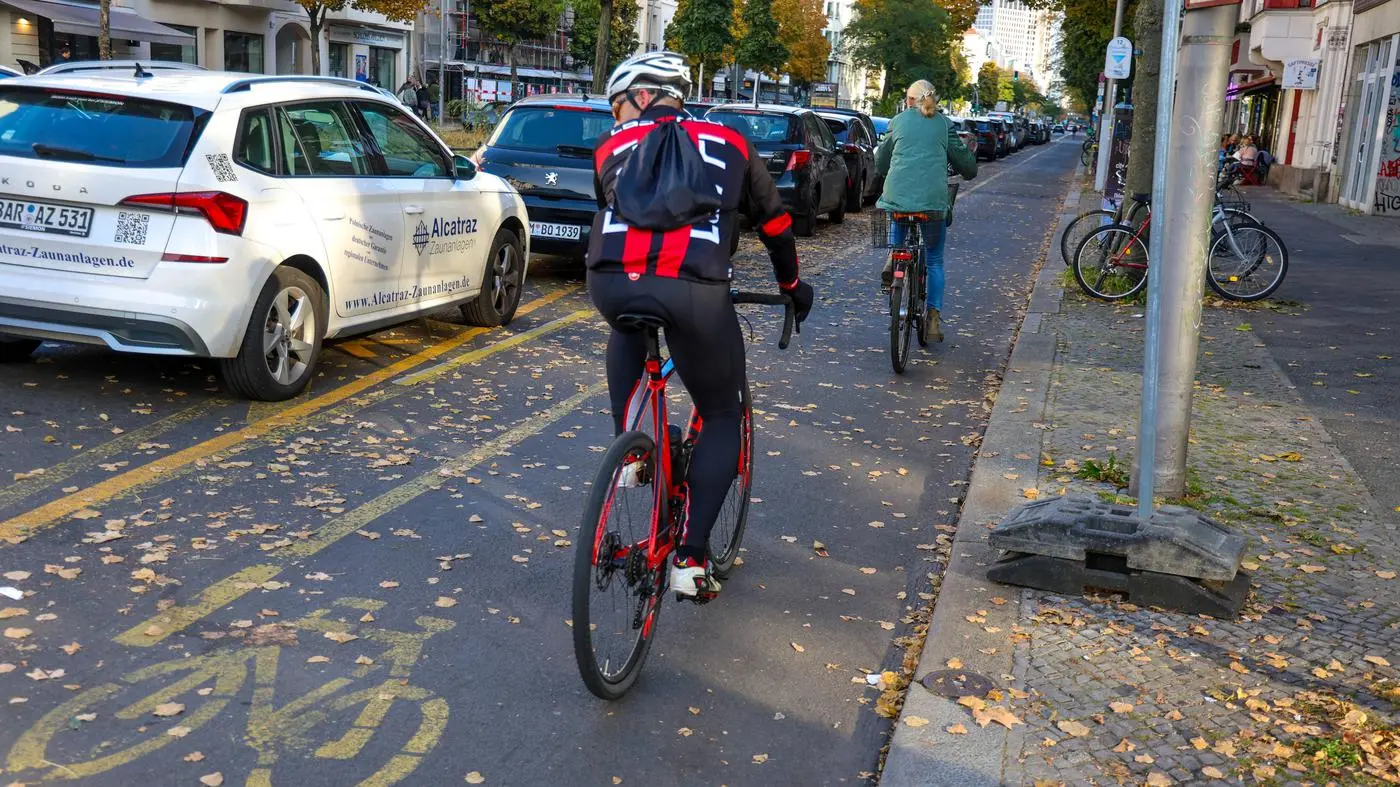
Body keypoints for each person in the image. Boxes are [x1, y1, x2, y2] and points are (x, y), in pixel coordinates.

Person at [585, 51, 814, 600]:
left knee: (628, 328)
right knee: (721, 411)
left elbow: (614, 212)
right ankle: (689, 559)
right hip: (696, 290)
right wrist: (789, 285)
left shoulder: (612, 146)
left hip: (612, 282)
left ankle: (634, 449)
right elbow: (777, 223)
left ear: (642, 96)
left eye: (619, 105)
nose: (617, 118)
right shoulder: (731, 142)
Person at [874, 79, 976, 343]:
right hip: (933, 203)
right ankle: (932, 318)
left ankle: (895, 256)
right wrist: (967, 170)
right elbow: (965, 162)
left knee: (898, 209)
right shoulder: (944, 124)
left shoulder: (897, 122)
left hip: (898, 196)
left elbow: (880, 160)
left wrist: (892, 172)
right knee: (934, 260)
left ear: (909, 100)